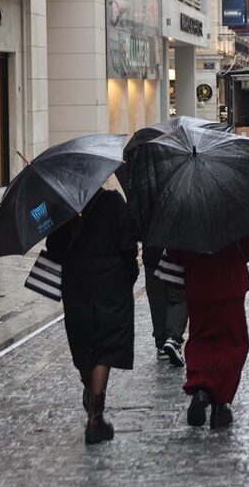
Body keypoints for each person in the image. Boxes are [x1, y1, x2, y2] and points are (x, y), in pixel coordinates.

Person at [45, 189, 139, 444]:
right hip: (111, 282)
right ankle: (95, 417)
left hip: (77, 284)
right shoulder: (112, 201)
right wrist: (129, 275)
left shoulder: (61, 207)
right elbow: (128, 244)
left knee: (84, 341)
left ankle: (91, 390)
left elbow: (53, 250)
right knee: (105, 345)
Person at [167, 231, 249, 430]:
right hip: (230, 278)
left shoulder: (186, 205)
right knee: (233, 340)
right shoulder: (234, 202)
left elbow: (174, 248)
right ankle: (221, 403)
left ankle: (201, 386)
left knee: (201, 337)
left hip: (198, 279)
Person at [141, 244, 188, 366]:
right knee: (178, 296)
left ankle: (162, 341)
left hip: (153, 250)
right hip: (176, 252)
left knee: (157, 297)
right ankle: (172, 338)